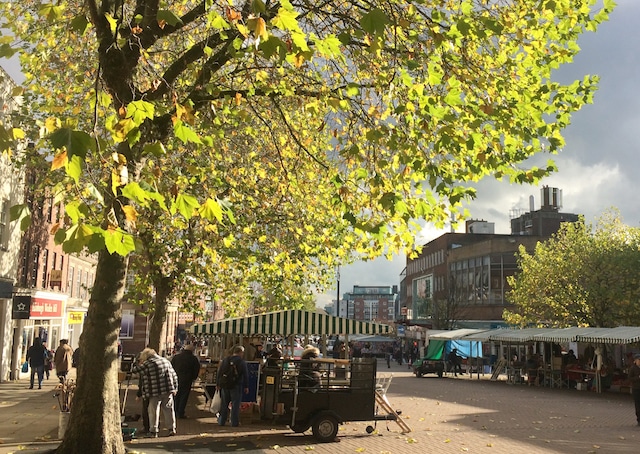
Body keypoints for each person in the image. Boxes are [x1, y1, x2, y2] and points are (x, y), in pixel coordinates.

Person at [134, 347, 178, 437]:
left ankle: (153, 431)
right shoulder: (166, 361)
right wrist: (175, 388)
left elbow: (135, 370)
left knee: (153, 411)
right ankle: (171, 428)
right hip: (167, 390)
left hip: (154, 391)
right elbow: (174, 375)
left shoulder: (148, 364)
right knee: (169, 410)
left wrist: (137, 363)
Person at [216, 345, 249, 427]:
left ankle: (221, 421)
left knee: (224, 404)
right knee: (235, 405)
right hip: (236, 385)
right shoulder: (241, 362)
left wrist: (218, 384)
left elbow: (219, 372)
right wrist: (246, 386)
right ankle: (234, 423)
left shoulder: (226, 360)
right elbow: (245, 375)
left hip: (225, 385)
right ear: (240, 352)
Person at [170, 343, 201, 419]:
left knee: (176, 395)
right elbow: (196, 369)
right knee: (184, 396)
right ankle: (180, 412)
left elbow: (171, 367)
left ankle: (174, 410)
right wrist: (193, 378)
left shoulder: (176, 357)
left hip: (176, 378)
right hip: (187, 379)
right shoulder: (193, 359)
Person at [629, 353, 640, 426]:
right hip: (636, 388)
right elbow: (629, 378)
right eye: (638, 360)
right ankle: (639, 419)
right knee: (638, 404)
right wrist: (638, 378)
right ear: (635, 361)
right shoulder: (633, 368)